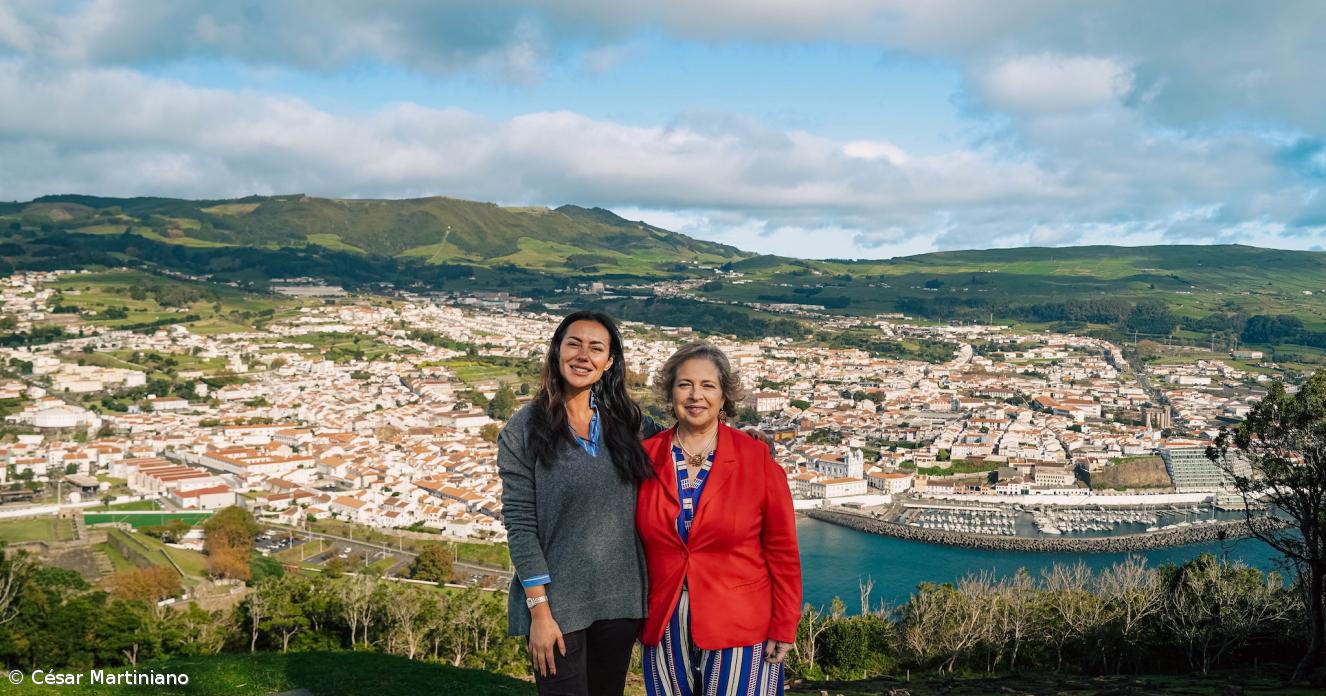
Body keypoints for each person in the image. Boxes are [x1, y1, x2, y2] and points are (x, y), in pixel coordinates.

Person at [498, 310, 657, 696]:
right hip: (557, 606)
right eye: (574, 343)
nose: (583, 355)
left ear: (609, 363)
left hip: (621, 600)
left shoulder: (629, 423)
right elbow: (520, 524)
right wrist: (539, 612)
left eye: (596, 348)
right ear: (556, 352)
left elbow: (686, 442)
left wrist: (741, 435)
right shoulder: (523, 429)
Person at [635, 342, 801, 696]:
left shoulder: (755, 458)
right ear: (671, 393)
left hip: (740, 623)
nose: (696, 395)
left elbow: (783, 552)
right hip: (664, 624)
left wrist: (785, 626)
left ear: (725, 396)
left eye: (708, 386)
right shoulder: (645, 458)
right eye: (685, 385)